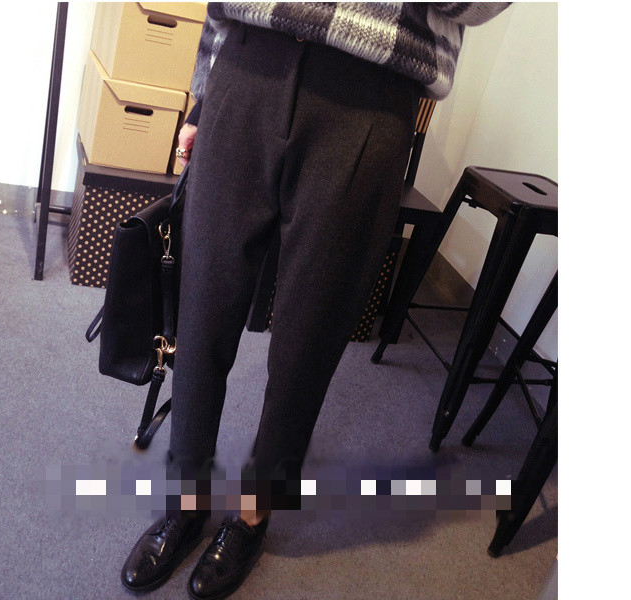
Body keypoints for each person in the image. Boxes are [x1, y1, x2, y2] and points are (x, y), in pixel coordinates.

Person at [121, 3, 510, 599]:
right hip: (248, 62)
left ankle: (253, 512)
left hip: (371, 91)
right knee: (201, 316)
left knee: (310, 336)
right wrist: (202, 96)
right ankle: (186, 500)